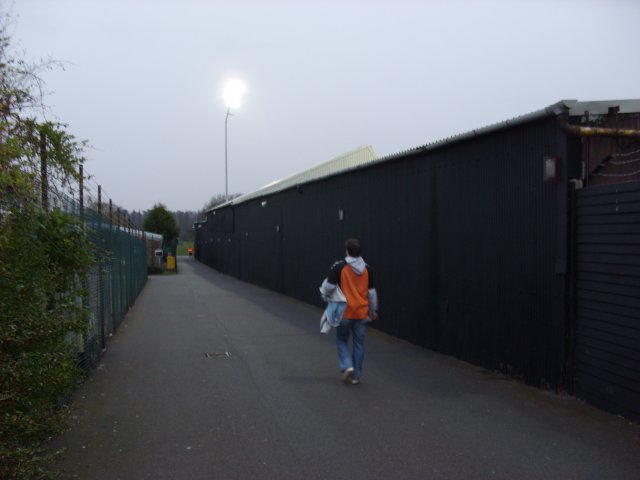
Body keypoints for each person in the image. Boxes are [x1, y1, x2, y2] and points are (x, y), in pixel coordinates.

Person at [320, 238, 378, 385]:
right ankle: (356, 377)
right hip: (361, 312)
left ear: (347, 251)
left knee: (341, 340)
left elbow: (328, 287)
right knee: (359, 343)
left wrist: (325, 296)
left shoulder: (340, 267)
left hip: (344, 312)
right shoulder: (367, 269)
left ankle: (347, 365)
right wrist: (373, 310)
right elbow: (371, 292)